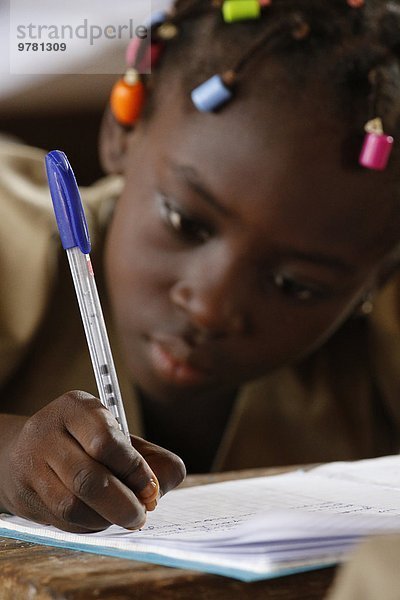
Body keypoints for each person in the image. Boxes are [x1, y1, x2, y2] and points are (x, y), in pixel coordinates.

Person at [1, 0, 400, 537]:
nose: (211, 307)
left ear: (380, 273)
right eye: (186, 222)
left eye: (295, 285)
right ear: (125, 131)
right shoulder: (12, 243)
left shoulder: (380, 343)